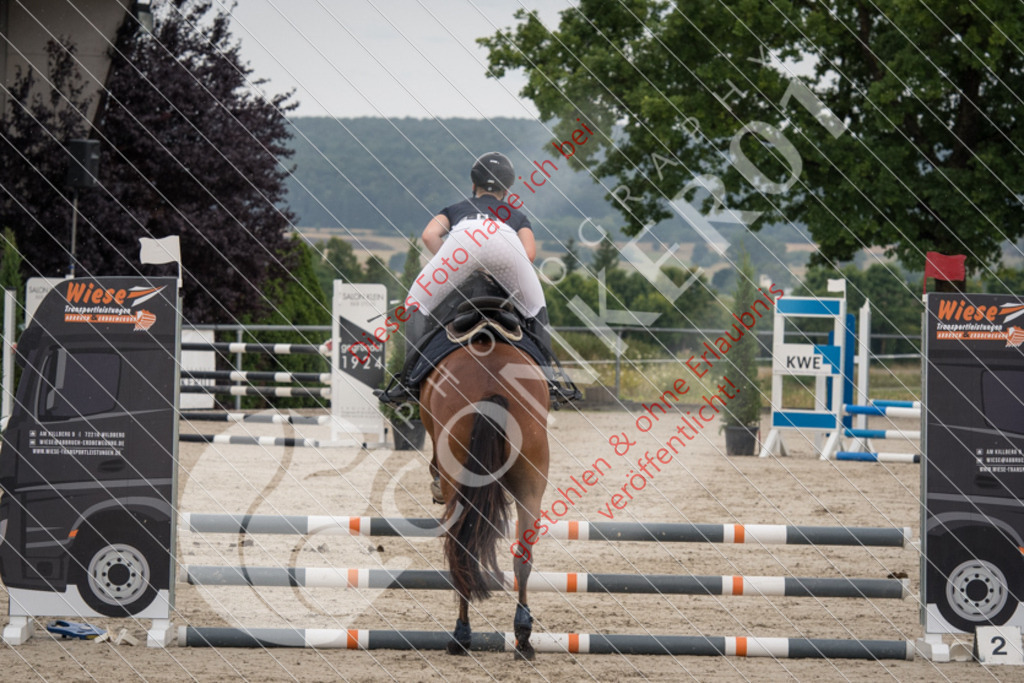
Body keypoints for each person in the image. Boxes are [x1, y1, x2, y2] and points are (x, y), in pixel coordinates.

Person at [378, 151, 578, 405]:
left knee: (416, 304)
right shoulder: (517, 216)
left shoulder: (457, 208)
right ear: (506, 190)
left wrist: (459, 266)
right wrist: (498, 271)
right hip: (505, 242)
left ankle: (408, 382)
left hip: (463, 241)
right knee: (535, 308)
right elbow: (529, 254)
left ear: (474, 185)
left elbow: (429, 235)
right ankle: (551, 382)